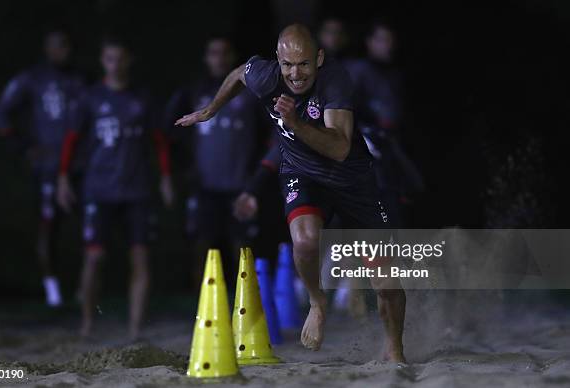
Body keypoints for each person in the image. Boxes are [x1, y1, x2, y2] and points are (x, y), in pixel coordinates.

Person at [176, 24, 406, 362]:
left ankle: (395, 349)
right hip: (303, 174)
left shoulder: (336, 80)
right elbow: (239, 74)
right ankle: (317, 301)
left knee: (386, 282)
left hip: (352, 179)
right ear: (277, 61)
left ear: (320, 58)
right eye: (287, 65)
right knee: (304, 241)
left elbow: (339, 148)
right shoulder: (266, 75)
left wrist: (296, 124)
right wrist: (212, 109)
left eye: (303, 64)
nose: (295, 74)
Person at [56, 36, 173, 340]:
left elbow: (159, 141)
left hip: (136, 188)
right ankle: (87, 324)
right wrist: (63, 177)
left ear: (128, 59)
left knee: (140, 256)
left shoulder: (143, 98)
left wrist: (165, 177)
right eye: (109, 58)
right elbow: (71, 139)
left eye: (120, 58)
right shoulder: (90, 98)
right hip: (99, 187)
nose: (115, 64)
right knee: (94, 258)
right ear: (102, 61)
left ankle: (135, 329)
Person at [164, 37, 275, 291]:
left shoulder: (250, 92)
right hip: (205, 185)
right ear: (206, 57)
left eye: (225, 53)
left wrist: (256, 171)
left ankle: (246, 306)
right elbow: (171, 130)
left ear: (233, 56)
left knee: (242, 247)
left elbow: (269, 132)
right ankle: (200, 307)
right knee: (202, 246)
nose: (219, 58)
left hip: (240, 184)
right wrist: (186, 167)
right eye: (214, 53)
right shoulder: (193, 90)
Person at [0, 28, 84, 307]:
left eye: (67, 45)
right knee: (48, 225)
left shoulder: (80, 79)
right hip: (48, 166)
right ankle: (52, 290)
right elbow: (0, 113)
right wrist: (24, 146)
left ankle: (85, 288)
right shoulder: (32, 78)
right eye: (59, 45)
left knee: (88, 227)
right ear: (48, 48)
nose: (64, 50)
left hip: (81, 164)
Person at [347, 20, 424, 226]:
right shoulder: (359, 71)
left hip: (392, 149)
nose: (387, 45)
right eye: (382, 39)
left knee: (405, 197)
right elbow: (347, 110)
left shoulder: (395, 74)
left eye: (390, 39)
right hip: (369, 150)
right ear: (369, 42)